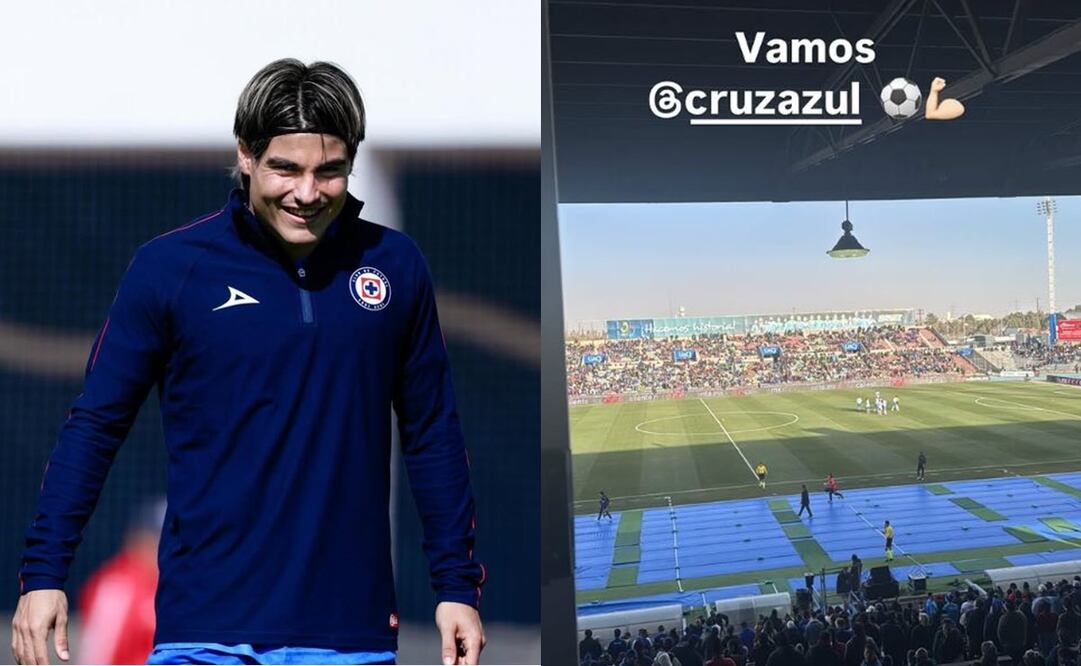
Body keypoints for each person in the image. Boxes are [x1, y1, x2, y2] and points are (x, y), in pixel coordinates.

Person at [13, 59, 485, 666]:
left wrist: (455, 587)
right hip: (204, 633)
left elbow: (433, 435)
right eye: (285, 169)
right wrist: (44, 572)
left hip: (349, 636)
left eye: (329, 171)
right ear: (245, 155)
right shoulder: (170, 268)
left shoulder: (396, 265)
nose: (307, 193)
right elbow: (95, 425)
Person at [76, 499, 165, 665]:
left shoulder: (175, 586)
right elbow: (97, 657)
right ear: (140, 539)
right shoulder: (116, 586)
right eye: (158, 540)